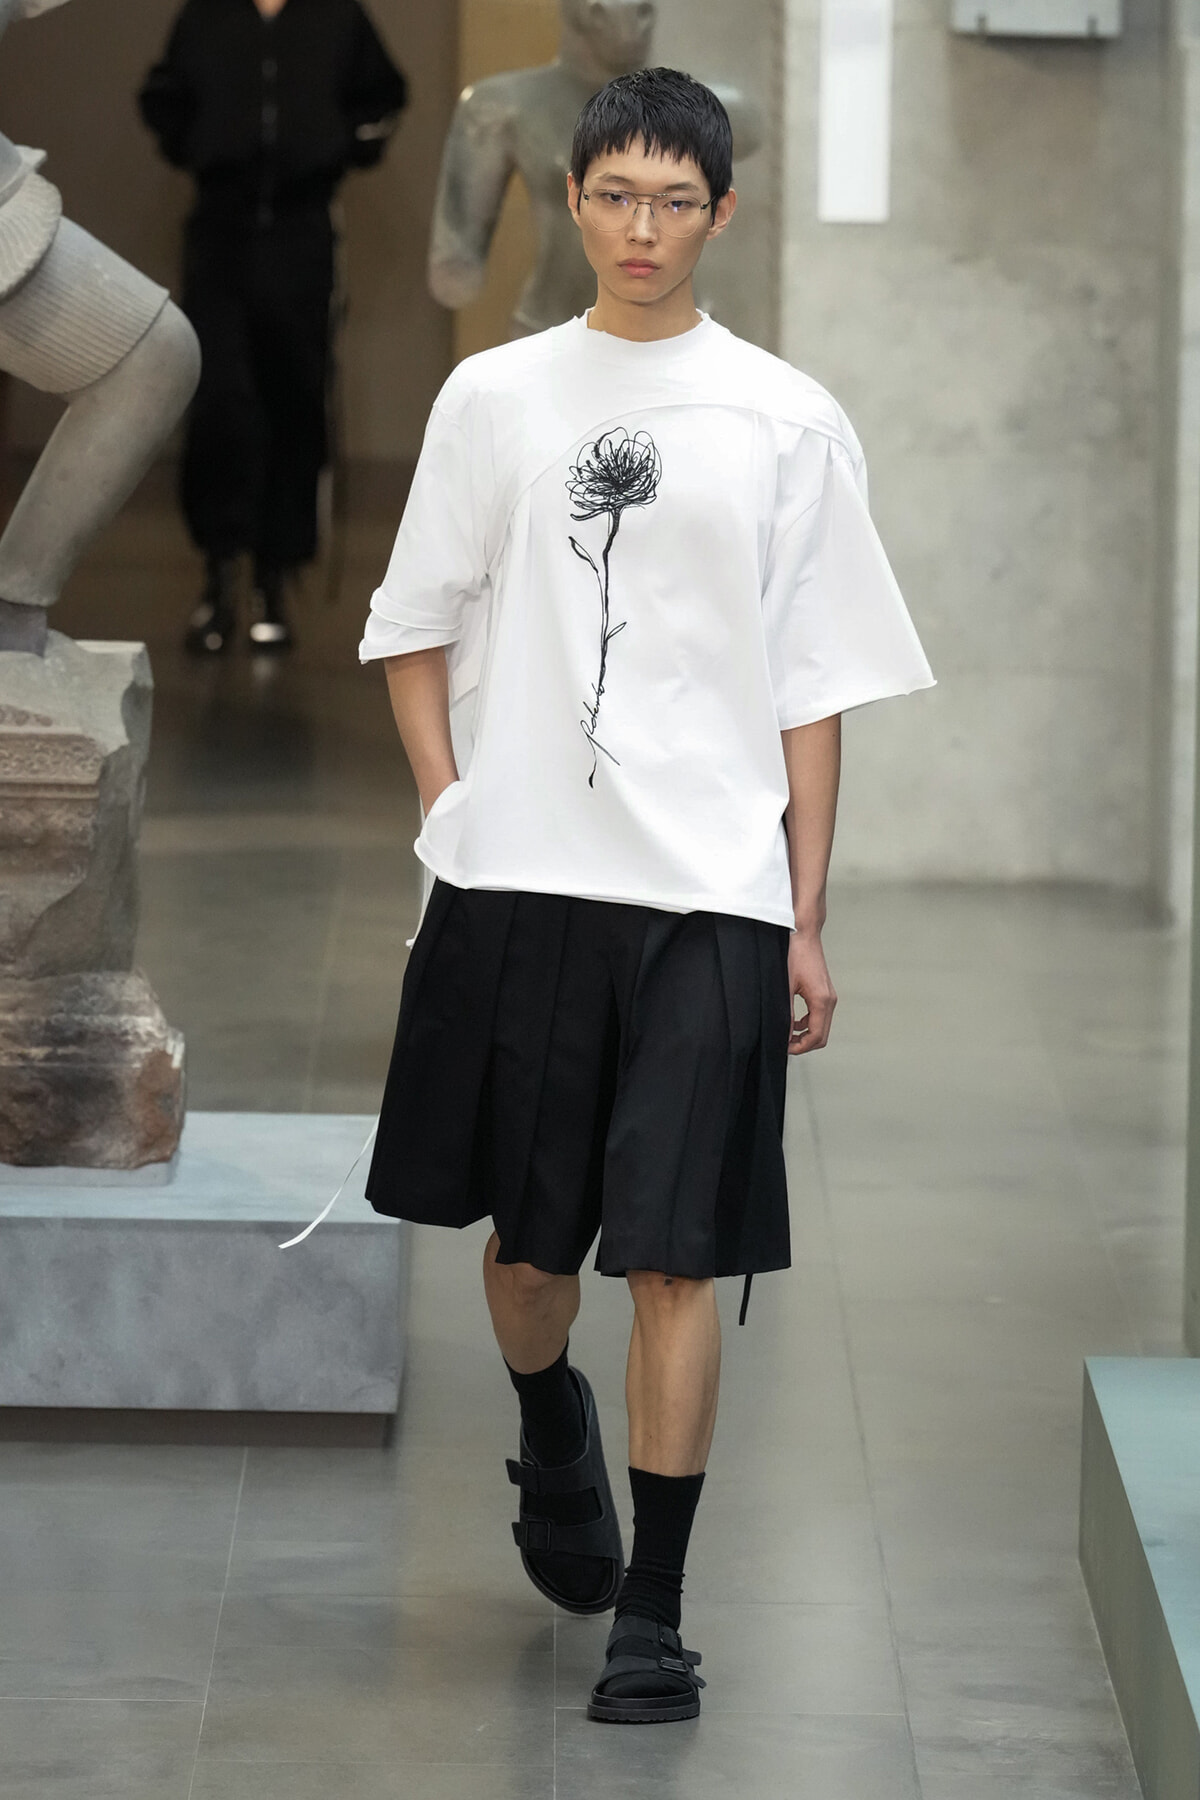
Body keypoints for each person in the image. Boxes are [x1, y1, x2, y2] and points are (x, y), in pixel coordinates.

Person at [360, 67, 934, 1724]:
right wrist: (456, 808)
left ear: (721, 216)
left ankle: (657, 1619)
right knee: (533, 1255)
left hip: (714, 897)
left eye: (674, 201)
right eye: (613, 194)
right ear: (573, 193)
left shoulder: (787, 418)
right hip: (523, 877)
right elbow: (413, 622)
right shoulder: (498, 402)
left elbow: (811, 684)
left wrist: (805, 911)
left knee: (679, 1256)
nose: (639, 229)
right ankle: (549, 1421)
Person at [139, 0, 406, 655]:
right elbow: (163, 94)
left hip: (302, 231)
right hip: (219, 233)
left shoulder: (336, 16)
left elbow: (384, 95)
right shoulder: (207, 15)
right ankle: (218, 575)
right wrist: (199, 141)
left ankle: (273, 580)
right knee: (220, 400)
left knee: (294, 394)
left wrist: (341, 146)